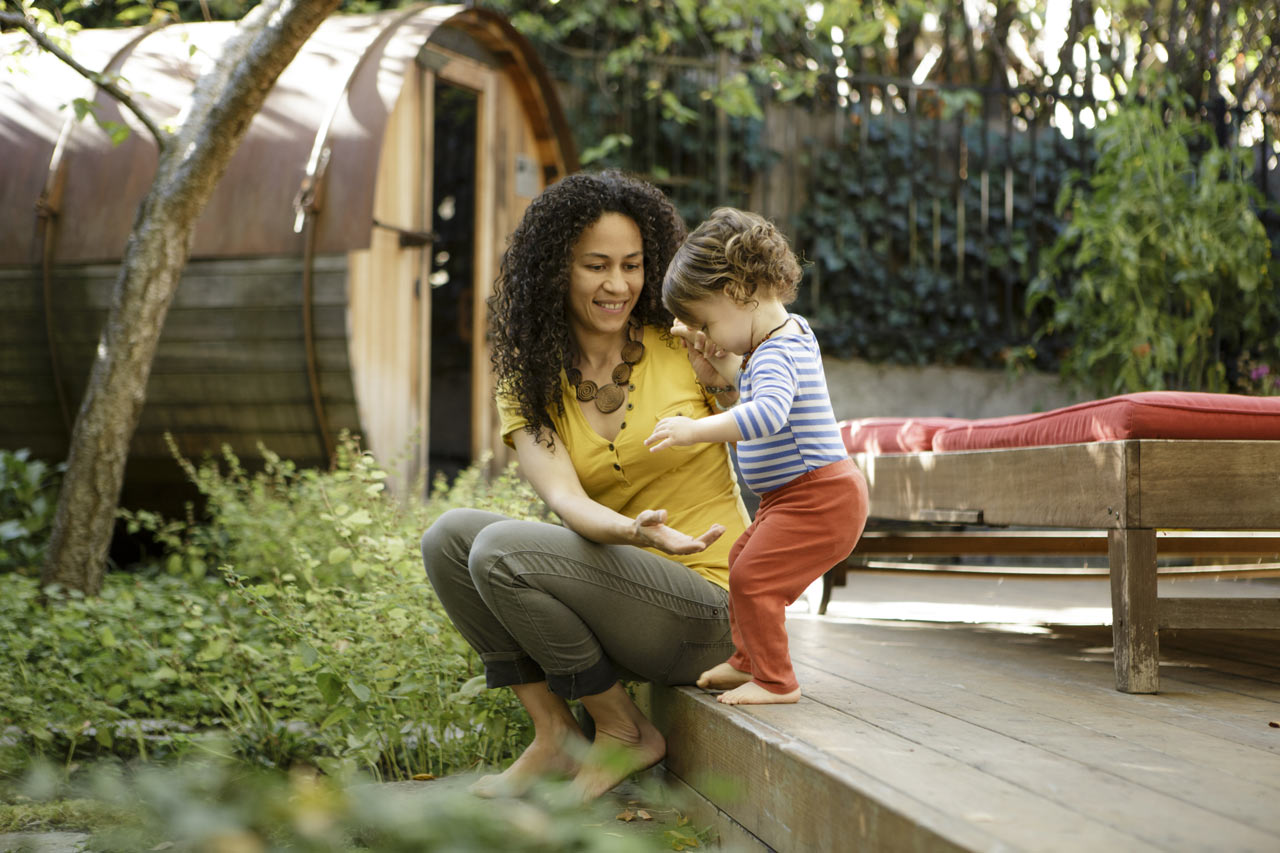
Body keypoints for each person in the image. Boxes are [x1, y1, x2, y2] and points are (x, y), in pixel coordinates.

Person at [419, 171, 750, 802]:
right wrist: (632, 531)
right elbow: (567, 502)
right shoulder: (530, 379)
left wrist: (731, 378)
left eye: (632, 264)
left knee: (500, 551)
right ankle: (554, 734)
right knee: (451, 540)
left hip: (716, 608)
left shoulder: (685, 343)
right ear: (555, 270)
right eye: (596, 266)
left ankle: (622, 731)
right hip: (622, 598)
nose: (618, 285)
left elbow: (775, 434)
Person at [645, 206, 868, 706]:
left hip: (818, 496)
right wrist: (714, 364)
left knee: (753, 577)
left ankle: (776, 680)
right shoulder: (783, 338)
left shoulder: (775, 352)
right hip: (797, 496)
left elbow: (765, 414)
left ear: (736, 292)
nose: (707, 335)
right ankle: (748, 659)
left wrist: (693, 430)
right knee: (742, 561)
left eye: (706, 322)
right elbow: (749, 390)